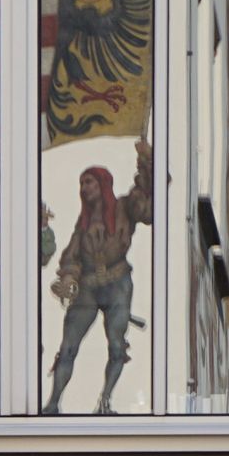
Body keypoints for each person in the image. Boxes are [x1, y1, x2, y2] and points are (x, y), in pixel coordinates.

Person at [42, 141, 153, 414]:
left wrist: (146, 161)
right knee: (68, 347)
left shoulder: (125, 207)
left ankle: (105, 402)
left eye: (89, 182)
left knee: (116, 347)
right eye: (82, 183)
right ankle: (53, 404)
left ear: (103, 184)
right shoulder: (83, 224)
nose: (84, 188)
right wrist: (68, 278)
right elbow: (71, 257)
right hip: (89, 288)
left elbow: (148, 203)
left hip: (118, 284)